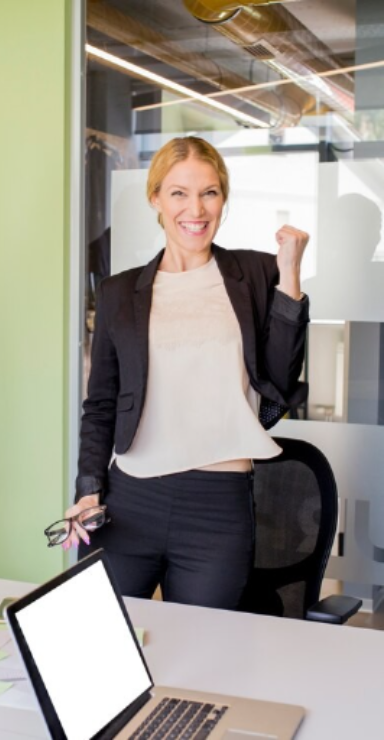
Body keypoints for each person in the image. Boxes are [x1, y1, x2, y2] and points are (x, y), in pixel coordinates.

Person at [63, 136, 309, 609]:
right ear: (155, 198)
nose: (195, 208)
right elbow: (100, 406)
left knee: (205, 657)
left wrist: (291, 278)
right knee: (103, 643)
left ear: (223, 198)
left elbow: (280, 379)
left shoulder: (258, 275)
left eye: (209, 192)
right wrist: (89, 490)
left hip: (217, 505)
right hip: (130, 499)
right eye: (178, 193)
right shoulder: (119, 292)